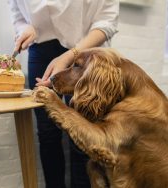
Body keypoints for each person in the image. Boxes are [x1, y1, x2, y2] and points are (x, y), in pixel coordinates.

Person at [8, 1, 119, 187]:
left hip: (84, 52)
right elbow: (18, 15)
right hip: (40, 51)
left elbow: (106, 22)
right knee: (47, 133)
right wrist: (25, 27)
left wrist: (71, 56)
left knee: (82, 135)